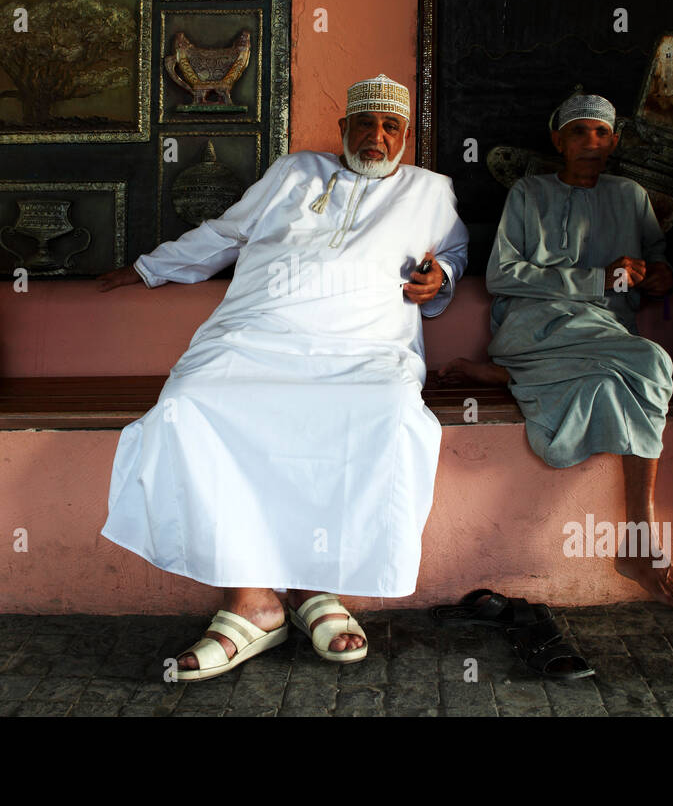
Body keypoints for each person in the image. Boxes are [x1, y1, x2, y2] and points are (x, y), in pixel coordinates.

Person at [97, 74, 469, 680]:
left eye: (390, 126)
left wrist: (441, 279)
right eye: (365, 123)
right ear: (343, 128)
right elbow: (226, 233)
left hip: (365, 347)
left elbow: (452, 255)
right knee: (190, 404)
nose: (377, 136)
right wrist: (147, 268)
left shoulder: (431, 191)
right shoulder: (294, 171)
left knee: (391, 415)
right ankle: (252, 601)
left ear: (404, 136)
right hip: (256, 336)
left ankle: (317, 586)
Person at [441, 91, 673, 610]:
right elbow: (503, 275)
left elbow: (658, 266)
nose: (590, 142)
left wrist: (658, 276)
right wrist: (597, 278)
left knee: (612, 382)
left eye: (600, 133)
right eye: (578, 132)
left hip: (604, 331)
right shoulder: (529, 192)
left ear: (613, 141)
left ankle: (511, 378)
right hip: (535, 323)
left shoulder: (631, 195)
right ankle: (644, 545)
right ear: (558, 141)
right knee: (654, 362)